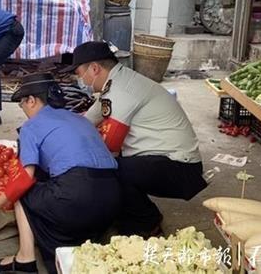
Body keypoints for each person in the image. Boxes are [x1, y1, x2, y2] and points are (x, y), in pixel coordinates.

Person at [0, 73, 121, 274]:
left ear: (31, 100)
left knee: (22, 192)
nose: (23, 110)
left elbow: (24, 178)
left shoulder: (31, 127)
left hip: (76, 196)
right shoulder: (81, 120)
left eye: (22, 104)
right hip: (113, 199)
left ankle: (25, 259)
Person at [62, 41, 208, 237]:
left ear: (94, 68)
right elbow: (87, 122)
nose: (81, 81)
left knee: (109, 169)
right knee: (107, 166)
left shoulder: (123, 90)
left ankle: (147, 222)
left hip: (180, 167)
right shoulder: (115, 84)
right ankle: (129, 212)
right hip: (162, 159)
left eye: (80, 74)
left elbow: (110, 146)